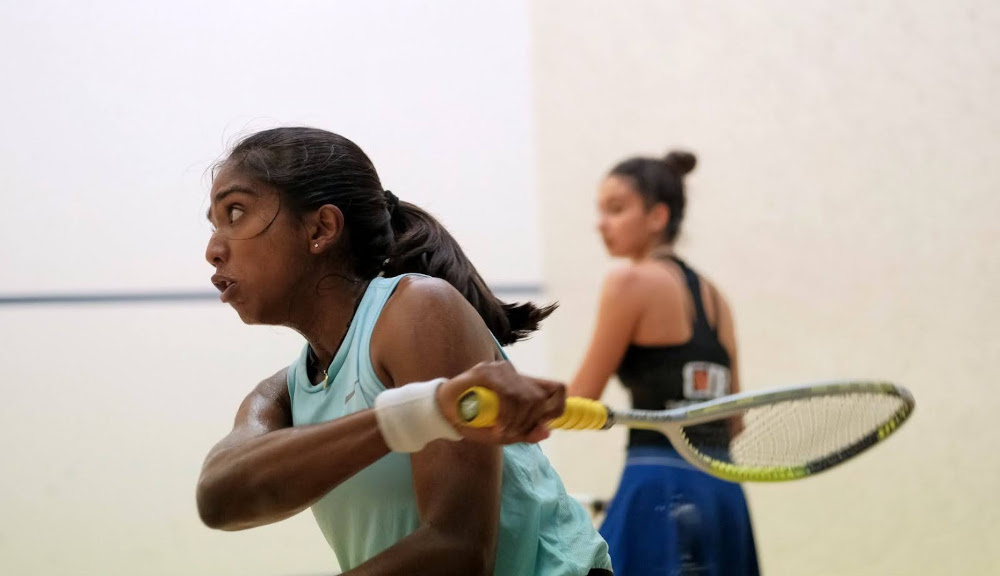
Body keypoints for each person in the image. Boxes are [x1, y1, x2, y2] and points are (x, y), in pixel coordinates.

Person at [196, 127, 613, 576]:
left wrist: (417, 412)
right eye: (215, 223)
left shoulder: (419, 307)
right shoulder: (281, 394)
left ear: (320, 228)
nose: (213, 250)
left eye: (235, 212)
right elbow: (220, 498)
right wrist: (419, 413)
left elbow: (458, 552)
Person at [568, 150, 759, 576]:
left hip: (659, 487)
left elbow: (579, 399)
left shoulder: (628, 281)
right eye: (601, 211)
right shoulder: (716, 297)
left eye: (615, 210)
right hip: (724, 495)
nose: (602, 223)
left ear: (657, 216)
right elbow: (735, 419)